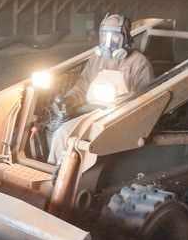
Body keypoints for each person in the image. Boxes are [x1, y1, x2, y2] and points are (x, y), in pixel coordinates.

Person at [48, 14, 154, 163]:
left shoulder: (139, 63)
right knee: (54, 128)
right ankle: (58, 171)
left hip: (118, 118)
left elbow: (144, 100)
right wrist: (69, 99)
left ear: (125, 37)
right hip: (91, 112)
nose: (107, 41)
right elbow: (82, 86)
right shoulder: (96, 58)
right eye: (104, 36)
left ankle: (60, 178)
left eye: (114, 37)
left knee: (63, 133)